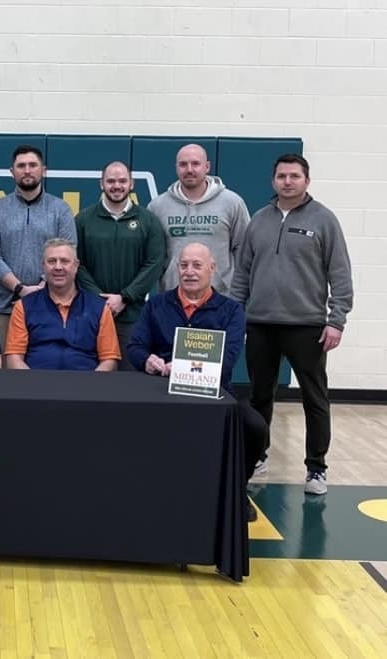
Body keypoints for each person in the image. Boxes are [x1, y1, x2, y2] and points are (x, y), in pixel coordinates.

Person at [231, 154, 353, 495]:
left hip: (307, 326)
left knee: (315, 398)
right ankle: (258, 455)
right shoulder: (258, 220)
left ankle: (316, 468)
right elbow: (242, 275)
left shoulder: (324, 220)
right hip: (260, 325)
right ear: (273, 181)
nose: (288, 181)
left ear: (306, 181)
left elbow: (340, 275)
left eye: (294, 176)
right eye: (282, 176)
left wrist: (337, 320)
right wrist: (236, 316)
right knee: (259, 396)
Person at [127, 243, 267, 522]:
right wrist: (147, 361)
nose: (189, 272)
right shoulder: (156, 304)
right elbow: (135, 347)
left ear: (212, 269)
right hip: (161, 391)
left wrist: (179, 366)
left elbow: (226, 362)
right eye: (184, 265)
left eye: (197, 265)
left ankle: (238, 489)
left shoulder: (231, 311)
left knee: (255, 427)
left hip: (213, 394)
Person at [0, 145, 77, 353]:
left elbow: (68, 252)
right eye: (21, 165)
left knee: (44, 369)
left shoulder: (60, 209)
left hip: (51, 306)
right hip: (4, 308)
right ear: (12, 171)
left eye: (33, 165)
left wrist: (42, 287)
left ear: (43, 170)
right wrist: (20, 289)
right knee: (3, 375)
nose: (27, 170)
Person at [75, 161, 165, 370]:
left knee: (129, 379)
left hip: (132, 316)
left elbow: (154, 263)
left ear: (131, 183)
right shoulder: (83, 220)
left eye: (123, 181)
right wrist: (99, 299)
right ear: (101, 184)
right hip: (91, 314)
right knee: (91, 378)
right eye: (111, 181)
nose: (117, 186)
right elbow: (76, 264)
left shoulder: (148, 221)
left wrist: (125, 297)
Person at [147, 143, 250, 294]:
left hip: (220, 298)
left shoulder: (232, 203)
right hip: (172, 299)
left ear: (207, 167)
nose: (189, 169)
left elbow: (244, 251)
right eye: (183, 164)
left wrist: (237, 294)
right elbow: (152, 257)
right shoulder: (158, 206)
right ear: (176, 167)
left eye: (195, 164)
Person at [5, 239, 120, 371]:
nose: (58, 267)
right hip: (36, 386)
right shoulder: (24, 307)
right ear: (43, 266)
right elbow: (14, 359)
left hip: (86, 387)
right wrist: (34, 386)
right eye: (51, 261)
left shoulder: (99, 308)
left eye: (65, 261)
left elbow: (109, 360)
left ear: (76, 266)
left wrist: (89, 388)